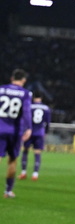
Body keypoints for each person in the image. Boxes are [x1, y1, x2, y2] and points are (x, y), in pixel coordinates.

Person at [1, 69, 31, 199]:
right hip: (14, 131)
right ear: (23, 80)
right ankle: (8, 191)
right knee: (12, 160)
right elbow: (26, 111)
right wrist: (28, 128)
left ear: (12, 78)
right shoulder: (25, 93)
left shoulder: (1, 89)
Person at [19, 91, 50, 180]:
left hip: (29, 132)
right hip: (40, 133)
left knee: (25, 152)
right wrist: (46, 132)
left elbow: (25, 119)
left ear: (33, 98)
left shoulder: (29, 106)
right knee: (37, 153)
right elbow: (47, 123)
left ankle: (23, 173)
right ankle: (35, 174)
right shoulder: (46, 108)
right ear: (42, 98)